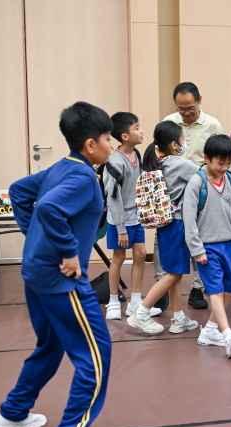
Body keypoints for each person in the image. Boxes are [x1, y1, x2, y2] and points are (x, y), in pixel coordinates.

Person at [0, 102, 114, 427]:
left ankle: (12, 414)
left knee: (51, 345)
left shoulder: (62, 166)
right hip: (62, 281)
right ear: (91, 145)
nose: (112, 145)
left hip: (35, 274)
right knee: (96, 355)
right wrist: (68, 251)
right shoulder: (85, 177)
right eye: (107, 138)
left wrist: (36, 240)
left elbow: (19, 191)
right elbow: (47, 207)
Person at [162, 82, 231, 309]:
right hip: (176, 192)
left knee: (204, 236)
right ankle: (164, 286)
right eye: (181, 108)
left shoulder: (212, 124)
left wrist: (229, 166)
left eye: (190, 108)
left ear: (200, 100)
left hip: (205, 188)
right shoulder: (168, 122)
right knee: (174, 240)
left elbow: (222, 155)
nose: (186, 113)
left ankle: (198, 289)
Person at [126, 121, 200, 335]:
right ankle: (141, 312)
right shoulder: (180, 163)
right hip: (177, 224)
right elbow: (207, 174)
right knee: (174, 275)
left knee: (173, 272)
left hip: (165, 225)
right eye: (183, 140)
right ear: (175, 144)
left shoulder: (160, 162)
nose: (184, 143)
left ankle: (178, 318)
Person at [183, 135, 231, 358]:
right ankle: (227, 334)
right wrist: (197, 249)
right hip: (207, 247)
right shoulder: (197, 183)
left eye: (228, 162)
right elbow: (189, 219)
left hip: (229, 244)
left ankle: (210, 331)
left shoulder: (230, 180)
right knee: (216, 291)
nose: (224, 167)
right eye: (219, 162)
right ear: (207, 159)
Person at [103, 112, 158, 321]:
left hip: (136, 217)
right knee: (118, 257)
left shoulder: (138, 154)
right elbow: (113, 199)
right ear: (124, 136)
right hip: (119, 220)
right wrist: (121, 229)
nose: (141, 130)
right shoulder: (115, 162)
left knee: (141, 254)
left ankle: (136, 301)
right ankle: (114, 300)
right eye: (136, 127)